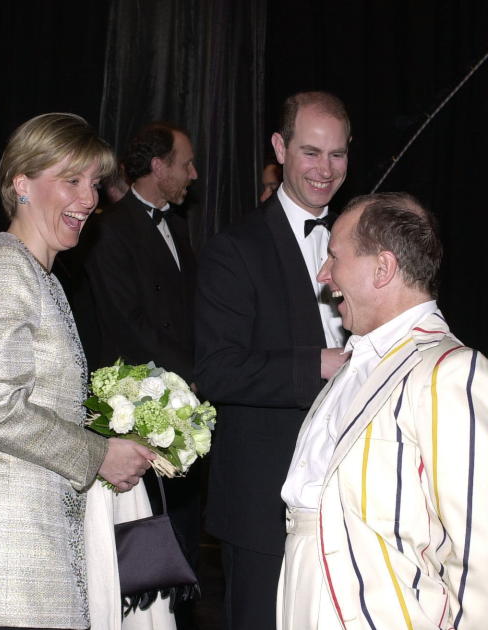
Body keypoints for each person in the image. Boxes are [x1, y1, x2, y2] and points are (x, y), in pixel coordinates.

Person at [0, 112, 160, 630]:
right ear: (21, 184)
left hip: (35, 547)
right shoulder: (5, 269)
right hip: (5, 559)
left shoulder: (39, 276)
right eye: (70, 180)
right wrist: (99, 454)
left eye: (93, 183)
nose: (88, 198)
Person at [278, 192, 488, 629]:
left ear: (383, 268)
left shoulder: (450, 372)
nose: (324, 273)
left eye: (335, 257)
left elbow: (486, 554)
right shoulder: (356, 363)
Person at [194, 91, 350, 630]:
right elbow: (217, 369)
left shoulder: (367, 239)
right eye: (311, 152)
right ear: (280, 148)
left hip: (352, 496)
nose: (324, 170)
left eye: (337, 155)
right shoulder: (234, 249)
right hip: (265, 501)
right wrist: (320, 365)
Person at [66, 121, 201, 629]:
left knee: (182, 521)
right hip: (136, 406)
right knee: (144, 533)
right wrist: (192, 376)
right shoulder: (110, 228)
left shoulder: (179, 226)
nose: (193, 173)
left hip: (179, 401)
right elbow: (128, 324)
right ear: (159, 166)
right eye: (185, 163)